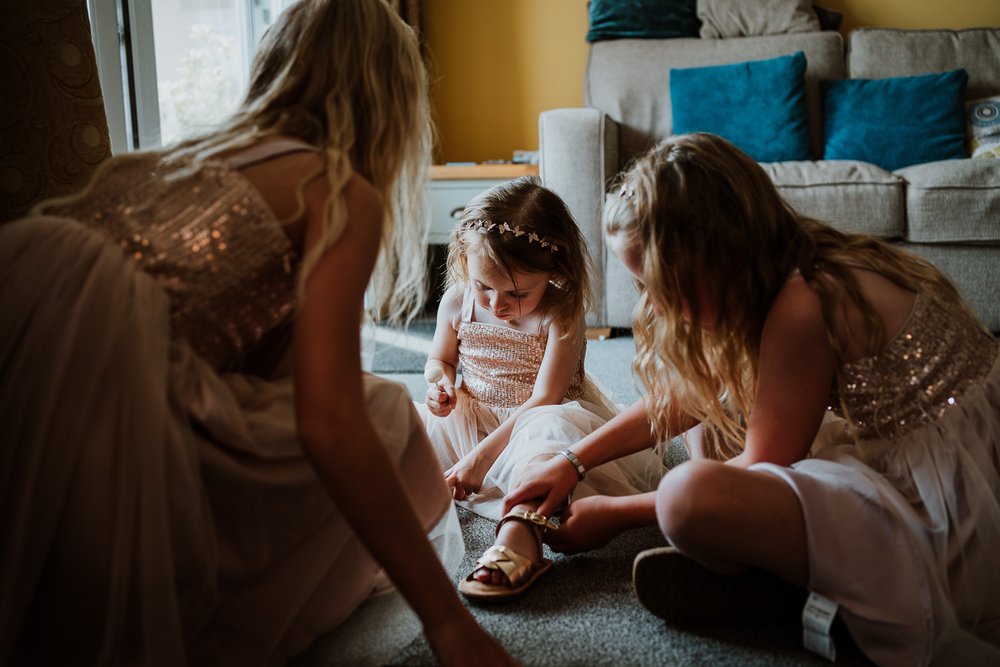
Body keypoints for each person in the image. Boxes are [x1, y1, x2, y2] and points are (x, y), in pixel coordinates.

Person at [0, 1, 517, 665]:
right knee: (381, 412)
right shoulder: (334, 188)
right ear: (390, 100)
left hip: (29, 368)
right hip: (114, 413)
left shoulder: (186, 157)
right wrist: (448, 623)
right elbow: (327, 421)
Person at [504, 133, 1000, 664]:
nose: (648, 302)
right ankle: (755, 559)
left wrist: (617, 513)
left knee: (685, 496)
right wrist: (573, 461)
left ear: (710, 257)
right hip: (890, 447)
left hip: (944, 500)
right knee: (702, 396)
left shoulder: (802, 302)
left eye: (654, 284)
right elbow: (690, 395)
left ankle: (791, 587)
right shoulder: (779, 268)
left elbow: (765, 462)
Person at [417, 176, 664, 601]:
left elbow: (544, 399)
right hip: (474, 414)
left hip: (537, 417)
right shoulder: (459, 301)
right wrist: (439, 384)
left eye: (516, 293)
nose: (496, 304)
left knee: (546, 436)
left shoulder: (560, 313)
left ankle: (520, 536)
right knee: (404, 432)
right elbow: (440, 360)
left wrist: (480, 458)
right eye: (484, 287)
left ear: (555, 272)